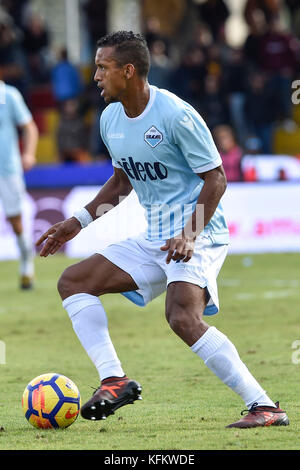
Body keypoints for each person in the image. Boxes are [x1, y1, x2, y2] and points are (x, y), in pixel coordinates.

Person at [36, 31, 289, 428]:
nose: (96, 76)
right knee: (73, 282)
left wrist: (190, 233)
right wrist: (77, 222)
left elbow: (217, 178)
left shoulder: (175, 114)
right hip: (156, 236)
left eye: (104, 67)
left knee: (182, 317)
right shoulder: (110, 119)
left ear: (129, 70)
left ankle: (265, 407)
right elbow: (122, 183)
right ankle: (114, 380)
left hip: (199, 232)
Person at [0, 75, 38, 289]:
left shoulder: (9, 95)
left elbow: (29, 127)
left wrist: (29, 154)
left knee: (15, 223)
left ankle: (26, 263)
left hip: (7, 169)